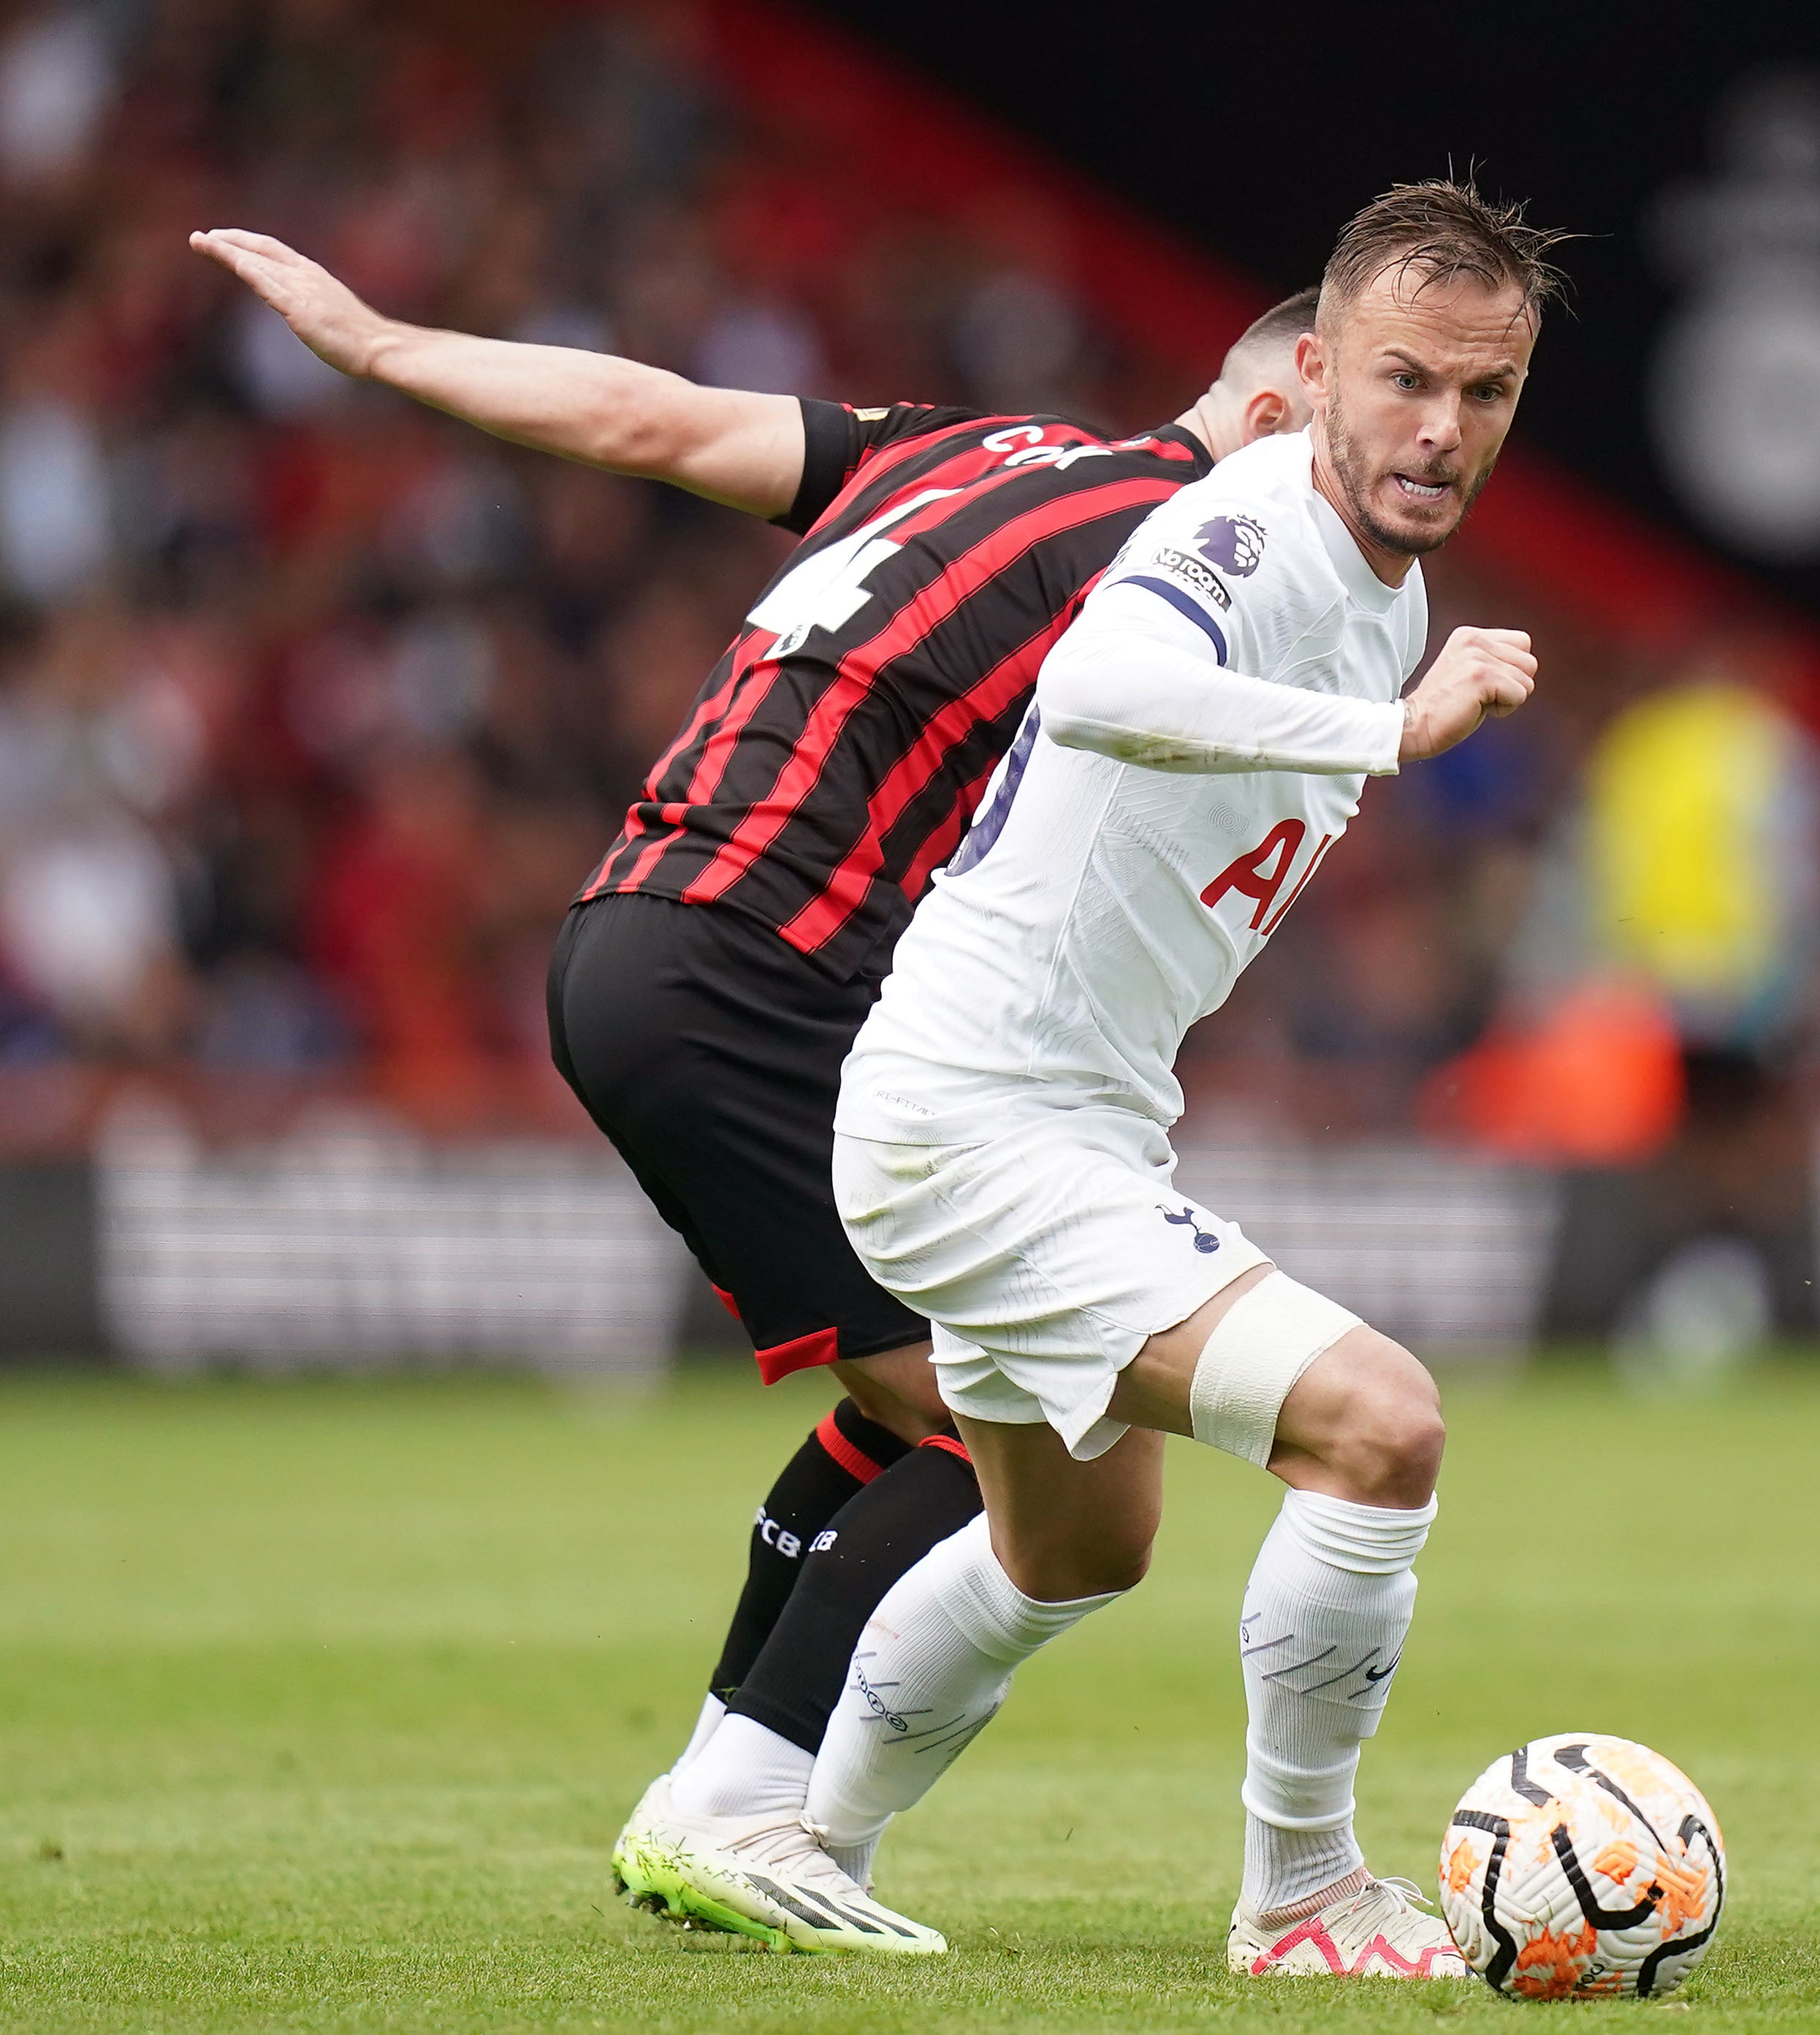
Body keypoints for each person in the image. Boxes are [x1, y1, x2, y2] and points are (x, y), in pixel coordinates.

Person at [188, 228, 1319, 1955]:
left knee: (911, 1399)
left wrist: (382, 346)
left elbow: (646, 418)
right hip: (760, 961)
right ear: (1278, 397)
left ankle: (730, 1781)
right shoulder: (1179, 552)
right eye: (1361, 427)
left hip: (651, 929)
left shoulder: (968, 446)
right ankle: (746, 1804)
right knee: (1005, 1405)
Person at [660, 180, 1566, 1978]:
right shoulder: (1250, 528)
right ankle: (1302, 1895)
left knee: (1071, 1547)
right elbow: (1094, 683)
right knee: (1378, 1429)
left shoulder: (1392, 599)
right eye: (1404, 380)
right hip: (979, 1117)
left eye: (1486, 394)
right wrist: (1389, 731)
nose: (1441, 429)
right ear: (1314, 375)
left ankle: (787, 1836)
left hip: (1041, 1110)